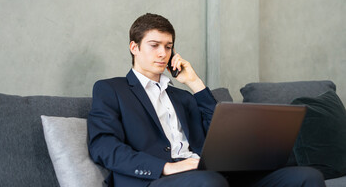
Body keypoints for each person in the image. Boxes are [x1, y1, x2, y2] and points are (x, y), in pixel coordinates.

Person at [87, 13, 325, 187]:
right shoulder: (111, 89)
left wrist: (194, 83)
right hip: (156, 179)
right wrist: (167, 167)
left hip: (210, 172)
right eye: (154, 45)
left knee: (307, 177)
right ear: (134, 47)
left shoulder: (182, 97)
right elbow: (103, 145)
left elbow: (220, 133)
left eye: (168, 46)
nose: (163, 53)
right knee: (210, 182)